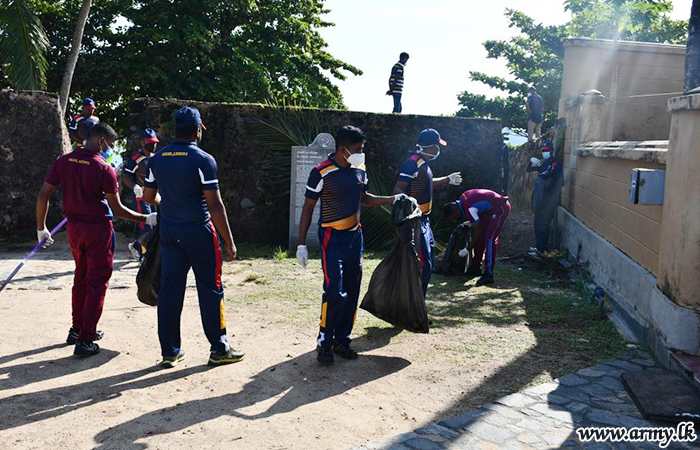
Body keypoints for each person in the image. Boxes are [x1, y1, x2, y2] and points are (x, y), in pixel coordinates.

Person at [36, 122, 158, 356]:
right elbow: (118, 209)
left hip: (74, 229)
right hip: (98, 230)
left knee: (80, 277)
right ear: (101, 141)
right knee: (97, 282)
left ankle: (77, 329)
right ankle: (86, 339)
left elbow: (44, 194)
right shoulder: (104, 169)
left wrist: (41, 227)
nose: (109, 149)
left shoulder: (64, 161)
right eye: (110, 145)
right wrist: (146, 218)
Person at [296, 125, 414, 366]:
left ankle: (342, 340)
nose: (362, 153)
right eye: (358, 149)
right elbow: (308, 208)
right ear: (343, 149)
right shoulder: (321, 172)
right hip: (332, 238)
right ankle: (324, 342)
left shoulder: (360, 169)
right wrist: (301, 245)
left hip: (355, 239)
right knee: (334, 291)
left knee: (352, 291)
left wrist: (394, 199)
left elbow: (364, 199)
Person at [142, 106, 243, 368]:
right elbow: (216, 206)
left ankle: (170, 352)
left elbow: (149, 197)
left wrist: (170, 203)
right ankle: (219, 348)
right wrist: (229, 242)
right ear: (198, 131)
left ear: (176, 130)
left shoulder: (158, 159)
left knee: (169, 291)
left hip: (170, 233)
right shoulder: (203, 160)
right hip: (199, 232)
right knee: (210, 289)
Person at [393, 128, 462, 296]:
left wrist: (447, 179)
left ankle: (418, 305)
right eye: (437, 146)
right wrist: (407, 206)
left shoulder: (423, 163)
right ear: (428, 147)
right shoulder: (412, 163)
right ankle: (415, 307)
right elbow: (398, 188)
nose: (438, 150)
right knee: (423, 265)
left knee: (427, 263)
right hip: (415, 222)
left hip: (425, 221)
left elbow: (427, 182)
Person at [443, 189, 511, 286]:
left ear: (455, 211)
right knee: (481, 238)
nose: (456, 218)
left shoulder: (469, 209)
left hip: (500, 208)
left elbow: (479, 233)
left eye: (453, 217)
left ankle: (488, 274)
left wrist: (466, 250)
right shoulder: (463, 198)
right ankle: (476, 267)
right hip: (489, 211)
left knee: (489, 238)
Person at [122, 128, 159, 261]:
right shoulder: (136, 159)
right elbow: (125, 176)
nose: (153, 145)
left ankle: (137, 246)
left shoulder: (157, 157)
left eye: (154, 142)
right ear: (143, 143)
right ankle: (144, 256)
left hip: (155, 195)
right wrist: (135, 186)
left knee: (157, 224)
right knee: (146, 225)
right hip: (141, 195)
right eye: (150, 142)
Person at [527, 140, 564, 255]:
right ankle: (539, 248)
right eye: (543, 150)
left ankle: (541, 250)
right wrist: (531, 161)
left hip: (548, 201)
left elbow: (560, 182)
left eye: (547, 150)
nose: (545, 152)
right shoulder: (542, 163)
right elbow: (529, 170)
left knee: (543, 226)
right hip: (539, 200)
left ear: (551, 150)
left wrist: (548, 182)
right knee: (537, 225)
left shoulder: (555, 164)